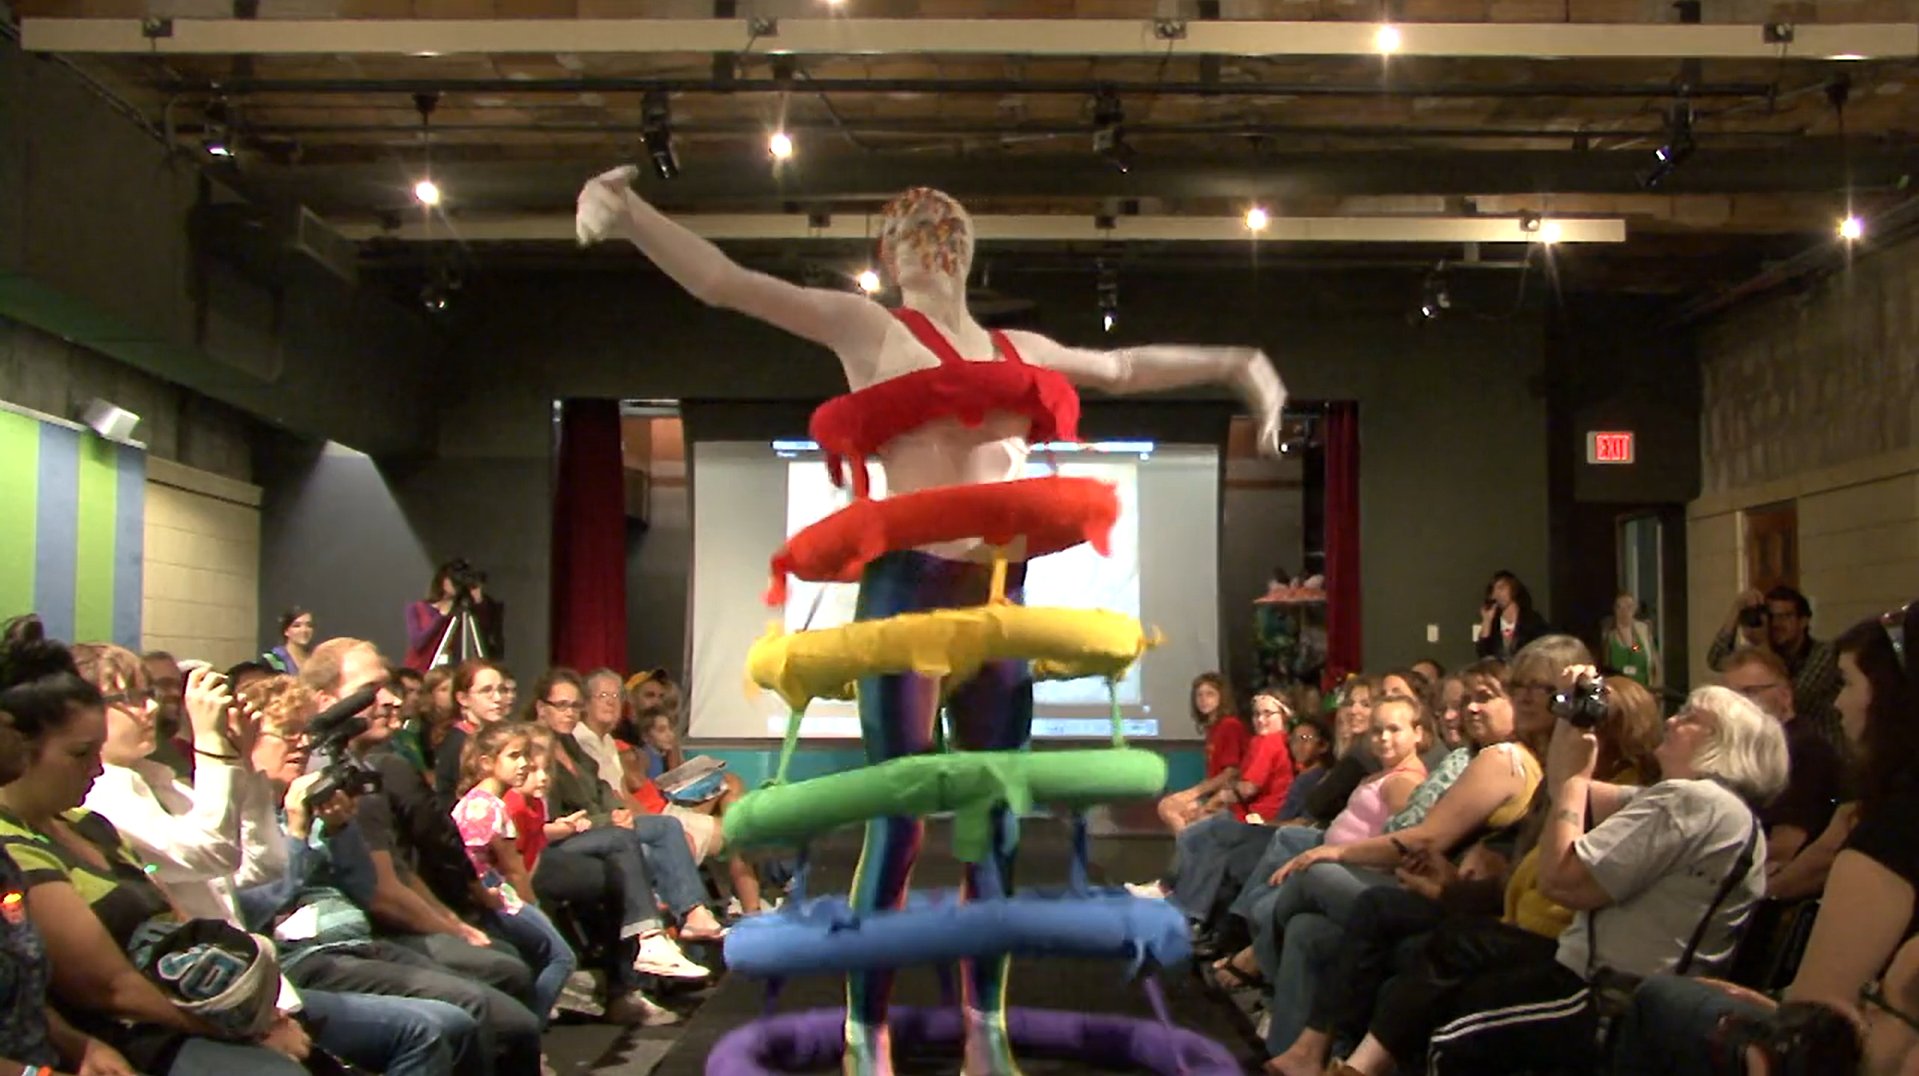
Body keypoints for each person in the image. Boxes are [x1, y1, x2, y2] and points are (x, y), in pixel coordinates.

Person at [578, 169, 1285, 1076]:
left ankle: (982, 1024)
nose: (932, 231)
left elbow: (1121, 367)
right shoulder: (867, 327)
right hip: (906, 592)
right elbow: (729, 284)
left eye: (948, 221)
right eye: (911, 224)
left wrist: (1238, 365)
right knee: (900, 820)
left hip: (996, 597)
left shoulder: (1011, 344)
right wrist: (633, 214)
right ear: (887, 255)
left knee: (989, 821)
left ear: (971, 246)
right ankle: (864, 1026)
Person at [1335, 680, 1789, 1076]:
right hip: (1600, 977)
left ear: (1724, 745)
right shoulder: (1707, 808)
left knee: (1451, 1037)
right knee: (1456, 944)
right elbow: (1571, 789)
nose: (1673, 721)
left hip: (1613, 999)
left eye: (1691, 718)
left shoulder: (1699, 804)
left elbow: (1562, 880)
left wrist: (1573, 778)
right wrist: (1574, 717)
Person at [0, 621, 310, 1076]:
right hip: (135, 1027)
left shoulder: (92, 822)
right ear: (24, 749)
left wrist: (257, 1009)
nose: (96, 769)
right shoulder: (17, 846)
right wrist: (241, 1029)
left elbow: (188, 924)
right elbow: (108, 988)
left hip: (185, 998)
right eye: (80, 753)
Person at [451, 723, 578, 1026]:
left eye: (527, 757)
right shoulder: (491, 808)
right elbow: (513, 869)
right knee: (562, 958)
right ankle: (530, 1031)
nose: (523, 765)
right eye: (514, 756)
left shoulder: (474, 801)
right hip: (496, 896)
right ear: (487, 762)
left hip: (484, 894)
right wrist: (532, 906)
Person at [404, 562, 506, 673]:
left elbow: (483, 638)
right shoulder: (417, 608)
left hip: (452, 671)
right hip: (422, 670)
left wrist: (479, 603)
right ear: (442, 580)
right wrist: (441, 616)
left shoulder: (464, 611)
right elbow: (418, 643)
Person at [1598, 591, 1660, 689]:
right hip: (1618, 692)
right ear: (1614, 610)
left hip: (1643, 691)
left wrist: (1656, 690)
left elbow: (1655, 664)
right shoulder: (1608, 635)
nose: (1624, 612)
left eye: (1629, 607)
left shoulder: (1643, 631)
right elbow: (1604, 667)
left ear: (1635, 609)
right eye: (1620, 607)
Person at [262, 608, 313, 676]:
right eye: (297, 626)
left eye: (309, 625)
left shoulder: (315, 658)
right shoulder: (273, 658)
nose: (304, 630)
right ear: (286, 631)